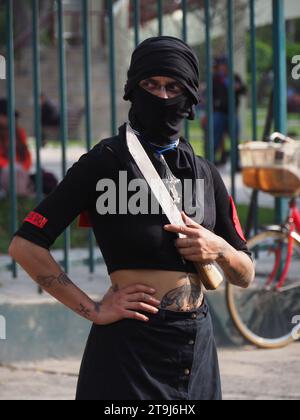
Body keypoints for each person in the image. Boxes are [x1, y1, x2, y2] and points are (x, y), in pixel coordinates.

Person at [9, 37, 255, 401]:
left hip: (196, 350)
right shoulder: (105, 162)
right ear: (132, 90)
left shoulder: (205, 174)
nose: (162, 96)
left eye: (173, 87)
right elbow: (25, 246)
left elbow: (245, 272)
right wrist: (93, 309)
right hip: (128, 356)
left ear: (189, 96)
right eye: (150, 85)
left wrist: (217, 248)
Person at [212, 56, 247, 167]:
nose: (223, 68)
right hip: (219, 112)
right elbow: (209, 95)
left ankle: (236, 164)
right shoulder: (215, 79)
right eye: (222, 65)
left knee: (234, 139)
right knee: (215, 138)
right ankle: (212, 162)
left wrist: (238, 87)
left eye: (225, 65)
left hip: (232, 113)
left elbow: (244, 90)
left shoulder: (234, 77)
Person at [0, 98, 34, 197]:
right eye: (6, 116)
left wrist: (23, 167)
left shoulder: (19, 132)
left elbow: (27, 154)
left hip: (19, 171)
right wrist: (10, 166)